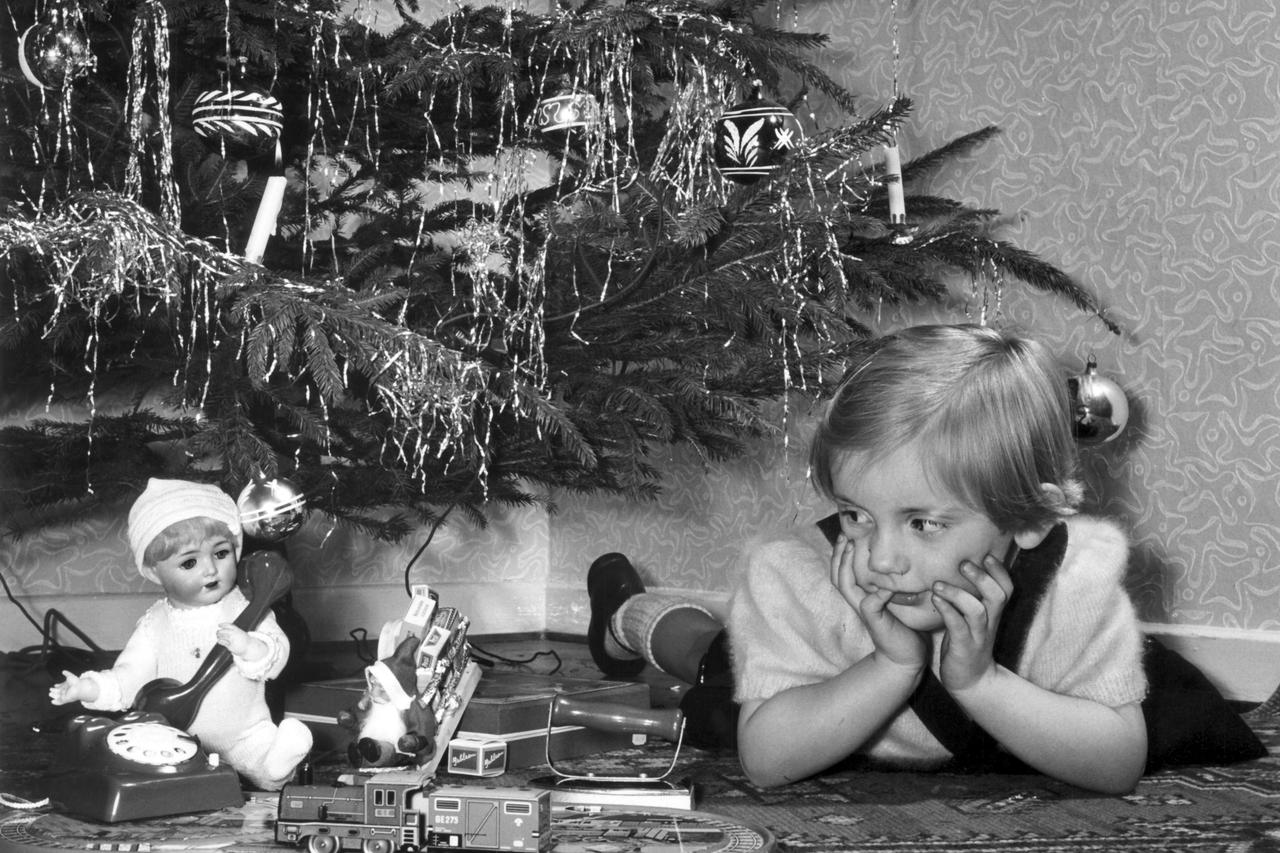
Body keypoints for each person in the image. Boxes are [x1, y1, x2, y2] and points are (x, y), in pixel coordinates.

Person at [587, 324, 1188, 794]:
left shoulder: (1078, 581)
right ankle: (627, 614)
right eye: (855, 514)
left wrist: (981, 683)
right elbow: (767, 763)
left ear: (1028, 519)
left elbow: (1118, 764)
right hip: (819, 680)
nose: (879, 559)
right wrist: (891, 667)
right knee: (710, 657)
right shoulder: (800, 578)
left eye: (923, 523)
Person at [49, 478, 313, 790]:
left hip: (244, 732)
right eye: (189, 562)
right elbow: (129, 677)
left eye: (221, 553)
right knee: (154, 768)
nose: (211, 570)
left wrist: (249, 646)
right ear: (153, 571)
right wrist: (89, 688)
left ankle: (278, 762)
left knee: (265, 760)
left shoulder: (248, 607)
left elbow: (276, 653)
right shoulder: (155, 624)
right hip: (176, 736)